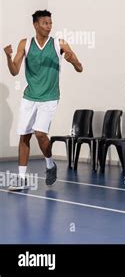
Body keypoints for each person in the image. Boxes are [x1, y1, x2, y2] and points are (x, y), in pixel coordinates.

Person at [4, 10, 83, 190]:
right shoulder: (25, 43)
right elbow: (14, 71)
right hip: (29, 97)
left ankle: (50, 164)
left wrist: (72, 61)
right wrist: (8, 58)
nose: (49, 26)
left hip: (49, 97)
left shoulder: (59, 44)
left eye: (50, 23)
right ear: (36, 25)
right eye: (45, 23)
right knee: (24, 135)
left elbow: (80, 68)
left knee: (40, 133)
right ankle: (22, 179)